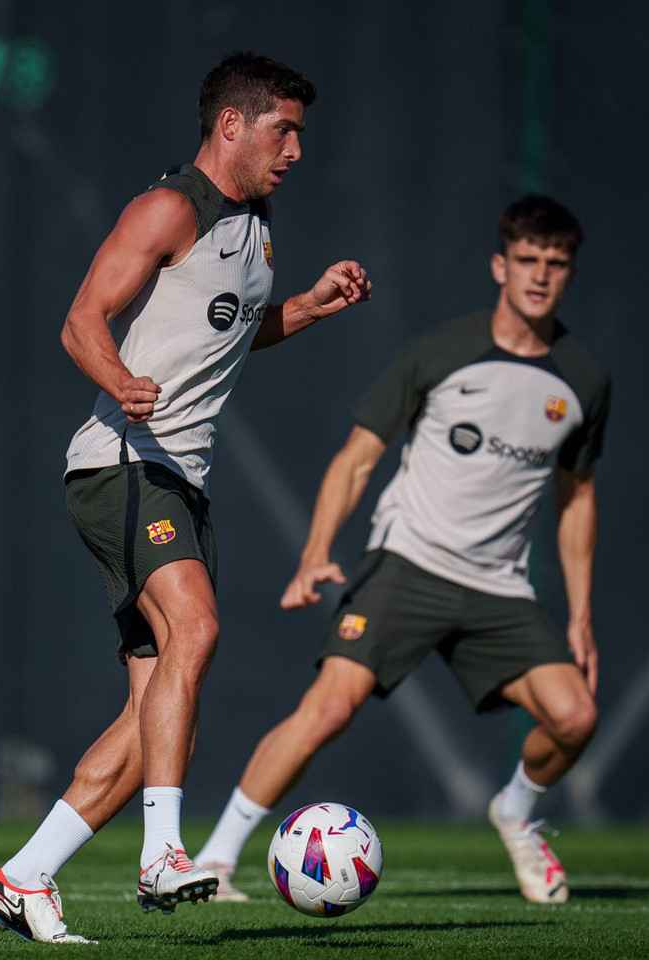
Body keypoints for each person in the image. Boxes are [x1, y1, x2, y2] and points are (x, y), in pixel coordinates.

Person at [0, 52, 372, 944]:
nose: (296, 149)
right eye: (284, 129)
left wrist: (307, 306)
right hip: (121, 462)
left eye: (300, 131)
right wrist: (118, 379)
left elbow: (231, 329)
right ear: (231, 124)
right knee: (196, 627)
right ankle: (161, 857)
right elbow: (81, 319)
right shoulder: (168, 207)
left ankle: (25, 876)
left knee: (158, 725)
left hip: (179, 480)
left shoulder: (255, 226)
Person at [192, 195, 607, 906]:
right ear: (500, 266)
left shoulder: (582, 380)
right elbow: (356, 460)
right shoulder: (440, 353)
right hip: (408, 564)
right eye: (528, 261)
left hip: (500, 590)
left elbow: (576, 500)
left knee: (575, 717)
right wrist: (316, 550)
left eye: (556, 264)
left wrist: (580, 615)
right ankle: (215, 860)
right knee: (328, 709)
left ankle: (515, 811)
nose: (540, 277)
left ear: (569, 273)